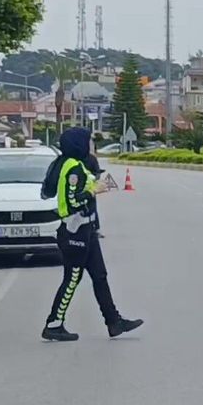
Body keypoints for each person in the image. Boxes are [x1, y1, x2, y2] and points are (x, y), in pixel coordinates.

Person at [42, 127, 143, 342]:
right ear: (79, 144)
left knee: (99, 276)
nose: (91, 145)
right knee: (72, 278)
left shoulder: (72, 164)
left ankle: (114, 322)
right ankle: (54, 323)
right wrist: (94, 190)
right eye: (88, 141)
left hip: (86, 230)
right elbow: (73, 202)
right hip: (74, 230)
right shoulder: (73, 169)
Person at [83, 141, 105, 239]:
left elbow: (97, 172)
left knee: (92, 209)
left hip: (90, 190)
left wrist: (94, 178)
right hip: (75, 189)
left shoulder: (92, 159)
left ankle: (95, 229)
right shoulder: (73, 159)